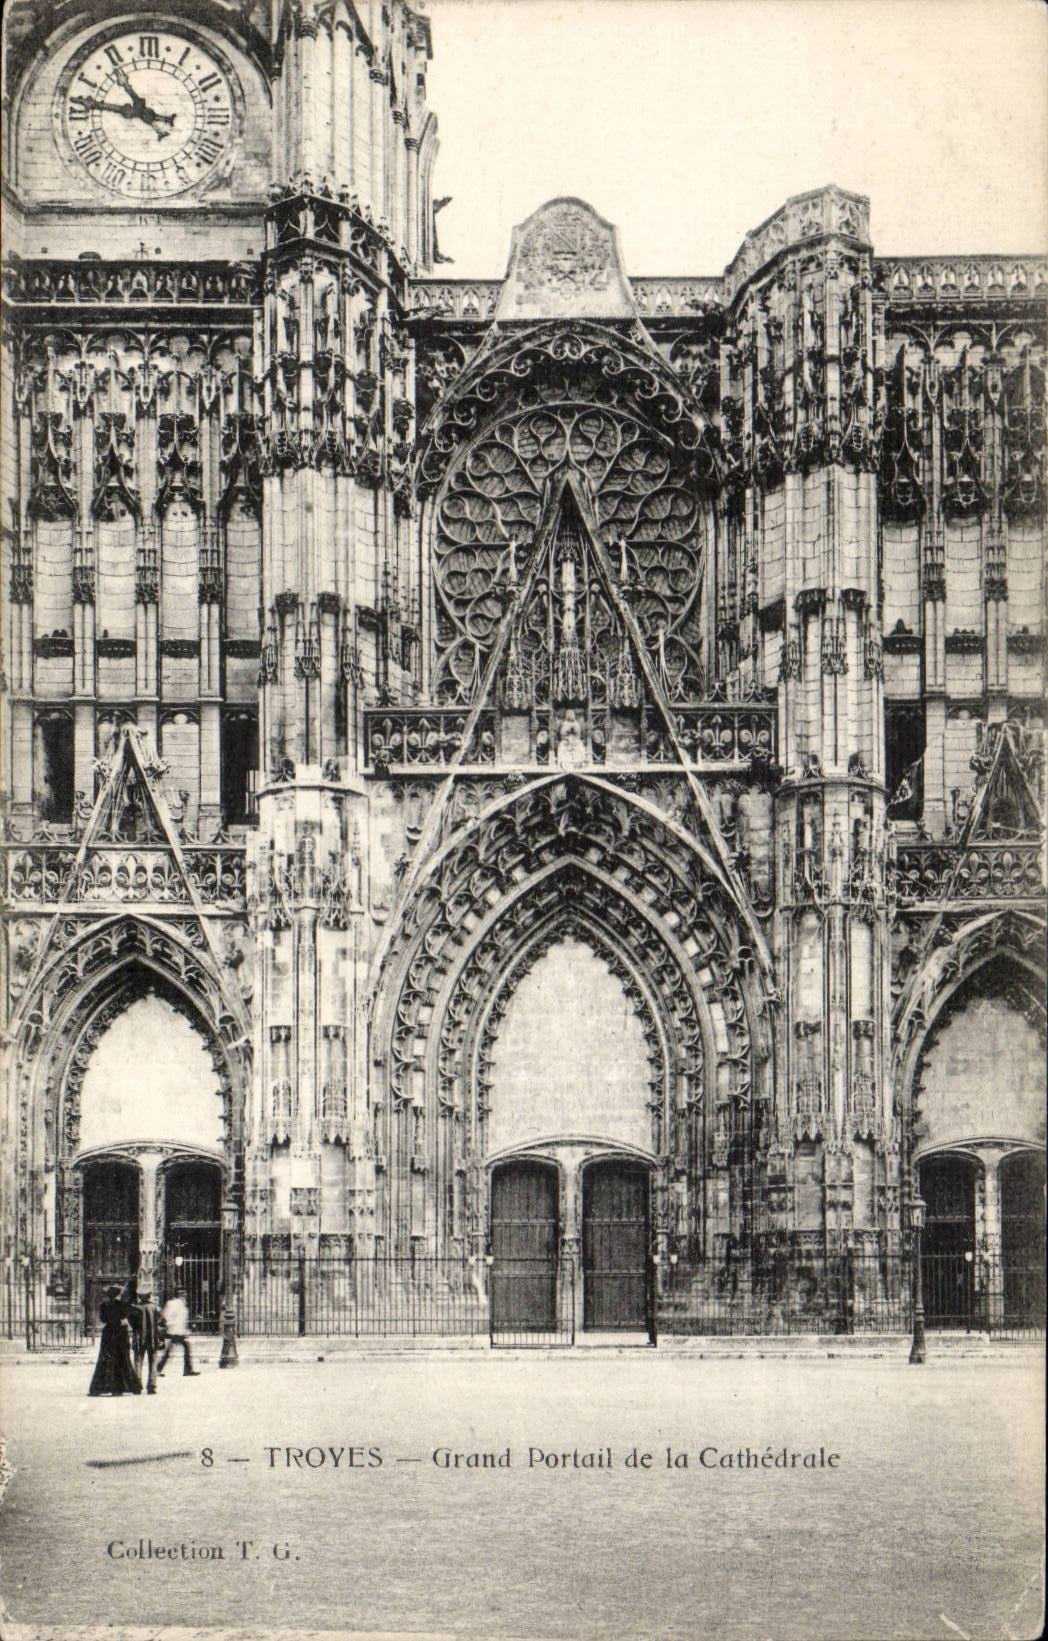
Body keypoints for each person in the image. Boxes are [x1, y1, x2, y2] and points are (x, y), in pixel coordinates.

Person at [87, 1284, 142, 1397]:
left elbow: (103, 1319)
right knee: (123, 1359)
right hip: (121, 1332)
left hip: (108, 1333)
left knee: (105, 1359)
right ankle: (122, 1388)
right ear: (118, 1294)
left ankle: (100, 1387)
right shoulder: (123, 1305)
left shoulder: (104, 1305)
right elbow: (129, 1314)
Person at [157, 1288, 200, 1377]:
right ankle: (187, 1370)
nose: (185, 1295)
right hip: (174, 1331)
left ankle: (158, 1369)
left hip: (178, 1331)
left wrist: (184, 1330)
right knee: (183, 1348)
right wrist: (171, 1326)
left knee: (170, 1351)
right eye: (182, 1294)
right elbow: (167, 1316)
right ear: (178, 1295)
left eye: (184, 1294)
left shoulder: (181, 1304)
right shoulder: (173, 1304)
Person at [130, 1284, 163, 1394]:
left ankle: (137, 1385)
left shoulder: (134, 1308)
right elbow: (161, 1323)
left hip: (139, 1338)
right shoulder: (155, 1307)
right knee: (153, 1361)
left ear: (139, 1296)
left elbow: (132, 1324)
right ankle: (152, 1385)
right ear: (149, 1295)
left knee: (138, 1361)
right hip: (152, 1338)